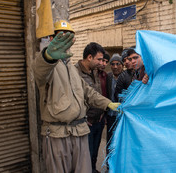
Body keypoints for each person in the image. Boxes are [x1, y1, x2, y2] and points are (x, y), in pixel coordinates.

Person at [33, 20, 120, 173]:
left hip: (80, 131)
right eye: (61, 35)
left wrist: (108, 104)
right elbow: (40, 71)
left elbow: (88, 92)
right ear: (52, 39)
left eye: (70, 36)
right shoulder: (47, 63)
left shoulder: (71, 68)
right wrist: (48, 56)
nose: (66, 38)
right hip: (58, 134)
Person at [74, 42, 107, 173]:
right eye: (99, 59)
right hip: (85, 124)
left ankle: (93, 169)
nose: (101, 62)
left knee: (94, 152)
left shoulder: (95, 71)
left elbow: (97, 93)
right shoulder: (74, 72)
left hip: (98, 121)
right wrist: (82, 117)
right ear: (89, 57)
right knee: (85, 155)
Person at [106, 53, 124, 161]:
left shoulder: (126, 77)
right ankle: (109, 163)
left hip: (121, 116)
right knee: (110, 140)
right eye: (113, 64)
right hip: (110, 115)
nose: (115, 67)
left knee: (120, 141)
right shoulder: (108, 77)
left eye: (118, 64)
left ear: (122, 65)